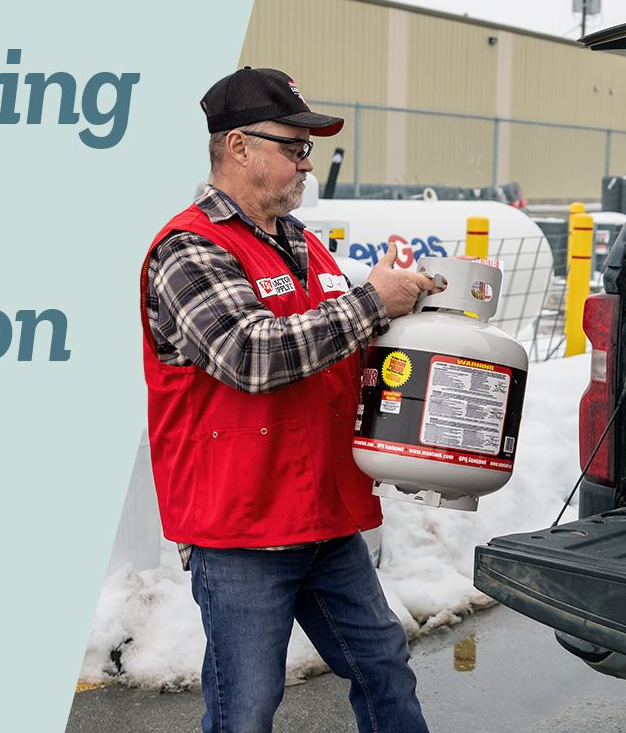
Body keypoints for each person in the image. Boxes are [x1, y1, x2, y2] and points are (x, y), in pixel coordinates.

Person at [139, 67, 434, 733]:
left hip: (322, 514)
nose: (306, 163)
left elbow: (332, 349)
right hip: (242, 529)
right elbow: (253, 355)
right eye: (293, 146)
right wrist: (368, 304)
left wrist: (409, 312)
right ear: (238, 147)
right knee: (245, 706)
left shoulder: (303, 246)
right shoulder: (191, 249)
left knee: (383, 666)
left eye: (309, 149)